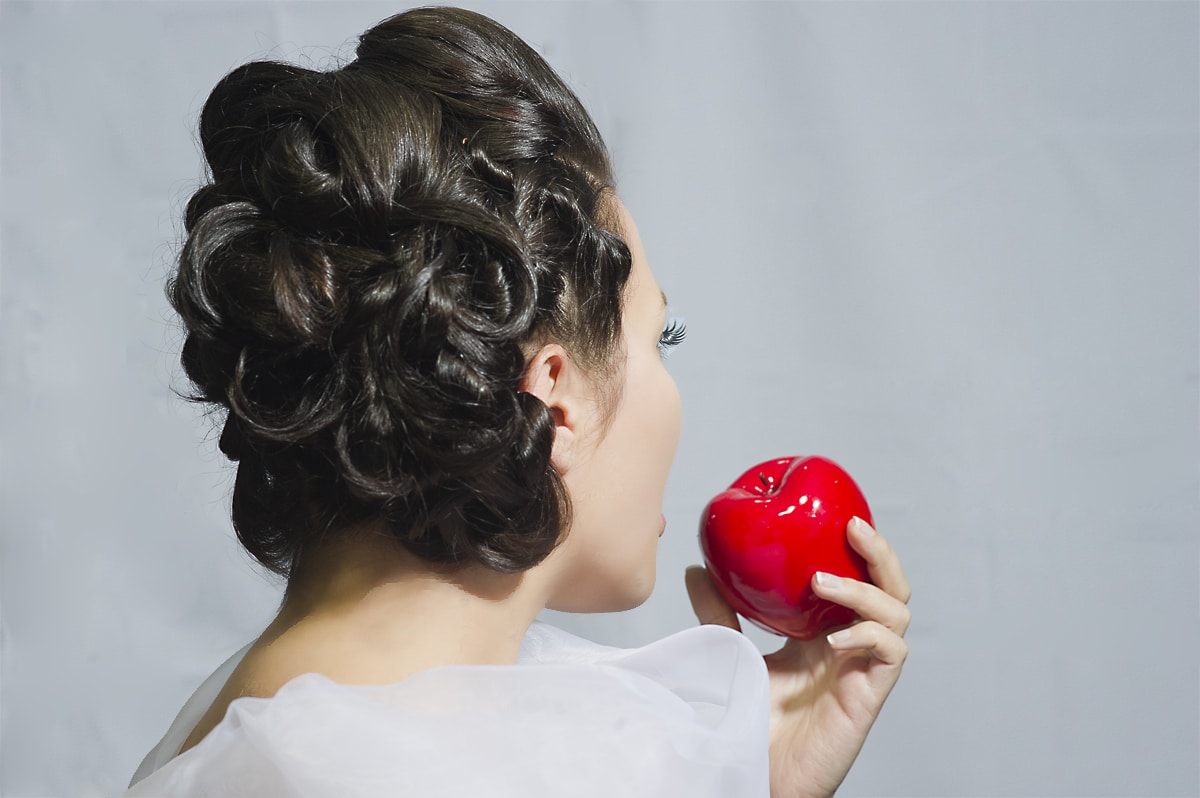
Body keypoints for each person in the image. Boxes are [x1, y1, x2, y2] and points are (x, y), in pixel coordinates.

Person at [127, 7, 910, 796]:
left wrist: (763, 781)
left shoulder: (288, 728)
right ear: (555, 400)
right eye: (660, 338)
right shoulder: (368, 771)